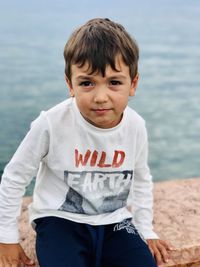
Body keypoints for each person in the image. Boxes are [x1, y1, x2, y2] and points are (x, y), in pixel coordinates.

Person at [0, 18, 172, 267]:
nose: (101, 97)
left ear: (133, 84)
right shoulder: (51, 123)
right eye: (87, 83)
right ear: (70, 84)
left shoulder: (135, 126)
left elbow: (141, 179)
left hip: (115, 220)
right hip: (60, 219)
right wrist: (7, 238)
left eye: (114, 82)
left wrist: (146, 230)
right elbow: (15, 176)